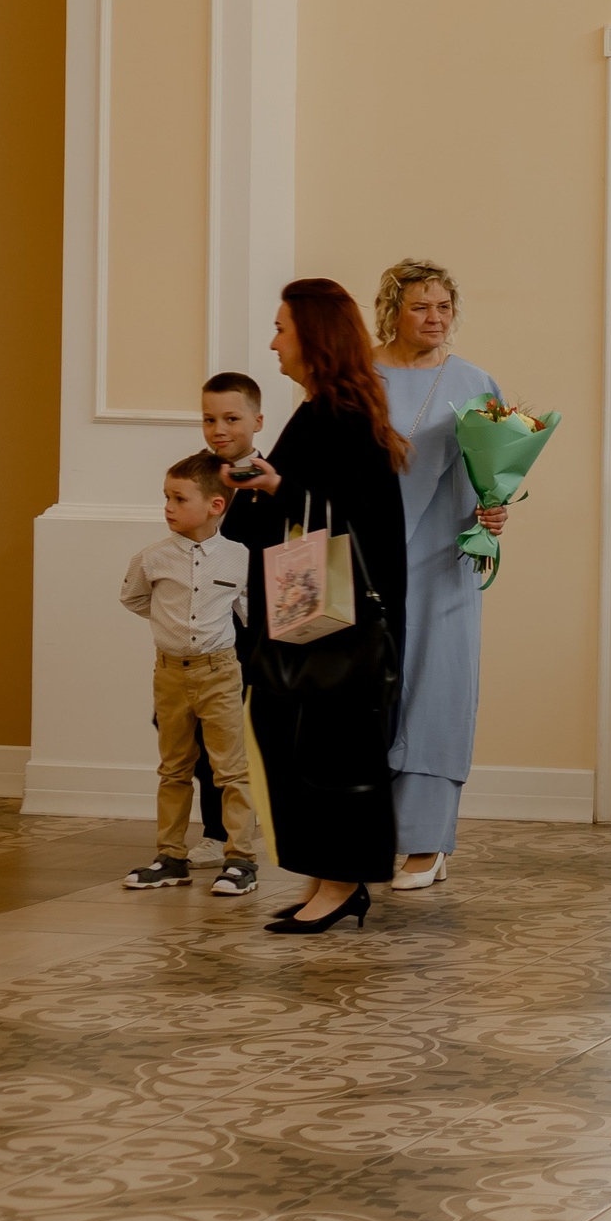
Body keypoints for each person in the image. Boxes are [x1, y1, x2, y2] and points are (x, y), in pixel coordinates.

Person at [223, 278, 410, 934]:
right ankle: (326, 878)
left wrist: (275, 484)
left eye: (281, 327)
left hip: (337, 627)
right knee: (298, 742)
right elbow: (277, 519)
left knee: (331, 750)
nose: (273, 340)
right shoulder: (317, 411)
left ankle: (341, 882)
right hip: (309, 619)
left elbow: (358, 525)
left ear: (313, 336)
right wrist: (257, 485)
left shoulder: (344, 416)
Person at [370, 259, 510, 889]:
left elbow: (496, 468)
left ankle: (427, 841)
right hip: (366, 554)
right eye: (421, 306)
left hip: (443, 556)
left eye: (444, 306)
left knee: (436, 686)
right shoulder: (357, 377)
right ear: (392, 310)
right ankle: (365, 831)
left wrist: (495, 508)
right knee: (368, 690)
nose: (434, 318)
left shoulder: (475, 382)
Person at [118, 453, 261, 897]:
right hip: (169, 675)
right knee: (174, 768)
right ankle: (170, 856)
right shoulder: (151, 559)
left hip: (220, 673)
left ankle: (241, 860)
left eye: (179, 498)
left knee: (231, 769)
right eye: (166, 497)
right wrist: (174, 628)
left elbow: (248, 611)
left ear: (215, 505)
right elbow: (136, 600)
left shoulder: (238, 558)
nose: (168, 507)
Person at [188, 370, 271, 865]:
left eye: (232, 418)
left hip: (251, 628)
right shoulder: (196, 475)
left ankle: (240, 828)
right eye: (209, 418)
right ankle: (214, 828)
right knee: (200, 732)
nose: (219, 428)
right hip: (202, 629)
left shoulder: (270, 479)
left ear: (257, 421)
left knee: (233, 733)